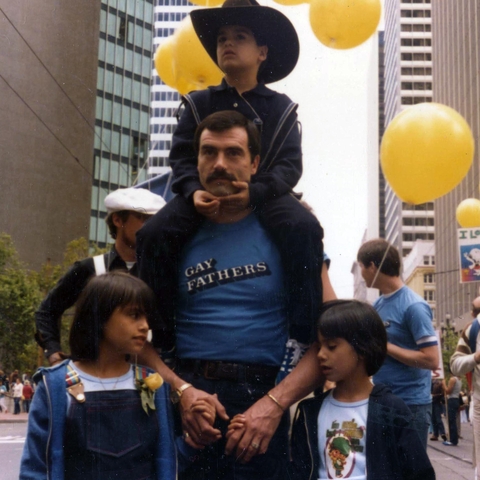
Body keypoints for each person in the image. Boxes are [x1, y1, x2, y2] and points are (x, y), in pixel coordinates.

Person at [137, 111, 333, 480]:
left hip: (265, 399)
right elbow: (135, 340)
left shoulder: (290, 237)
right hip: (189, 398)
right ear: (195, 162)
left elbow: (327, 342)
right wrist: (181, 392)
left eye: (234, 153)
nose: (220, 164)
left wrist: (273, 406)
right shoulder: (168, 239)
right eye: (208, 152)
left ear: (255, 163)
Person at [143, 0, 323, 352]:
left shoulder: (282, 108)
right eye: (222, 37)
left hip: (264, 196)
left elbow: (289, 166)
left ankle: (304, 335)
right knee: (152, 234)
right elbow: (180, 158)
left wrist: (255, 192)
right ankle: (160, 333)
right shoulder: (197, 102)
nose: (227, 43)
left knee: (305, 228)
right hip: (201, 195)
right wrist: (192, 191)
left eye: (240, 36)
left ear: (262, 52)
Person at [20, 272, 177, 480]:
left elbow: (166, 460)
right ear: (100, 316)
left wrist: (192, 444)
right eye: (134, 314)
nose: (145, 326)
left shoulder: (154, 384)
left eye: (146, 316)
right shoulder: (55, 386)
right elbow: (36, 470)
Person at [289, 300, 435, 480]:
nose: (320, 354)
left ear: (362, 349)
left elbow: (419, 473)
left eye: (331, 346)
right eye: (319, 347)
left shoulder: (391, 409)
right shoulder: (310, 411)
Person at [35, 187, 165, 366]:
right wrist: (54, 354)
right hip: (93, 379)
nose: (151, 226)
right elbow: (46, 311)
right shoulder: (89, 268)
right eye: (143, 218)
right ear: (118, 220)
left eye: (155, 220)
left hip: (148, 379)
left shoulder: (161, 272)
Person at [357, 239, 439, 449]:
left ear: (373, 266)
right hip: (382, 399)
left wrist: (385, 346)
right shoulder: (378, 304)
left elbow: (431, 359)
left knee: (411, 471)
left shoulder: (414, 306)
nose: (361, 273)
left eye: (361, 267)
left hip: (411, 404)